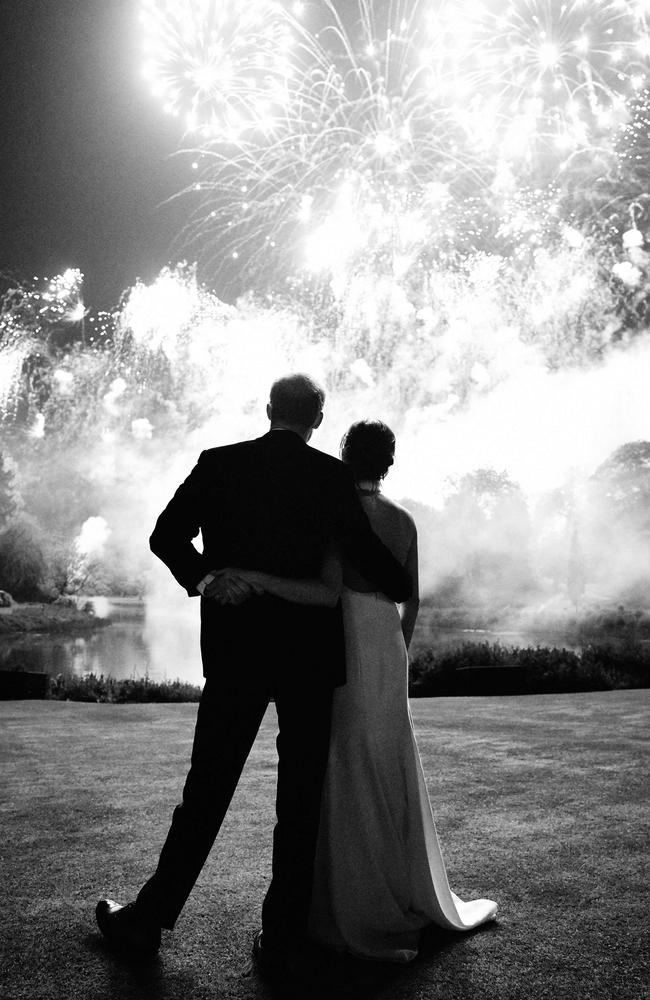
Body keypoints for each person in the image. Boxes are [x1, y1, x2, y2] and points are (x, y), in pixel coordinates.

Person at [95, 375, 412, 974]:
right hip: (309, 661)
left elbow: (166, 536)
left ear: (267, 410)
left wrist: (210, 578)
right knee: (298, 802)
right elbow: (366, 553)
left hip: (237, 652)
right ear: (318, 420)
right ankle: (283, 938)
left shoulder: (218, 464)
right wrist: (398, 583)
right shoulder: (328, 477)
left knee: (206, 792)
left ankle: (148, 921)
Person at [221, 420, 498, 963]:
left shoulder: (331, 509)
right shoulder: (404, 520)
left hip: (339, 638)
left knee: (339, 765)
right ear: (388, 463)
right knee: (386, 760)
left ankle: (341, 900)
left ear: (345, 455)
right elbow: (411, 599)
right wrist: (400, 655)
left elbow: (325, 587)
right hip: (386, 643)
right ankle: (397, 885)